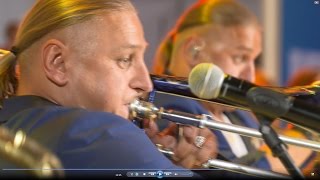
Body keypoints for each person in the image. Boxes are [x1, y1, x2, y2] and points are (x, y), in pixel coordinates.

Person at [0, 0, 219, 178]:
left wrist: (165, 164)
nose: (146, 83)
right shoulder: (93, 133)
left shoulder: (12, 128)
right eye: (125, 59)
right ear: (58, 62)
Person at [151, 0, 316, 176]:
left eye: (254, 60)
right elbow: (238, 172)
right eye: (240, 57)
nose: (250, 76)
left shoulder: (236, 112)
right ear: (194, 52)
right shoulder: (168, 107)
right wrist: (309, 134)